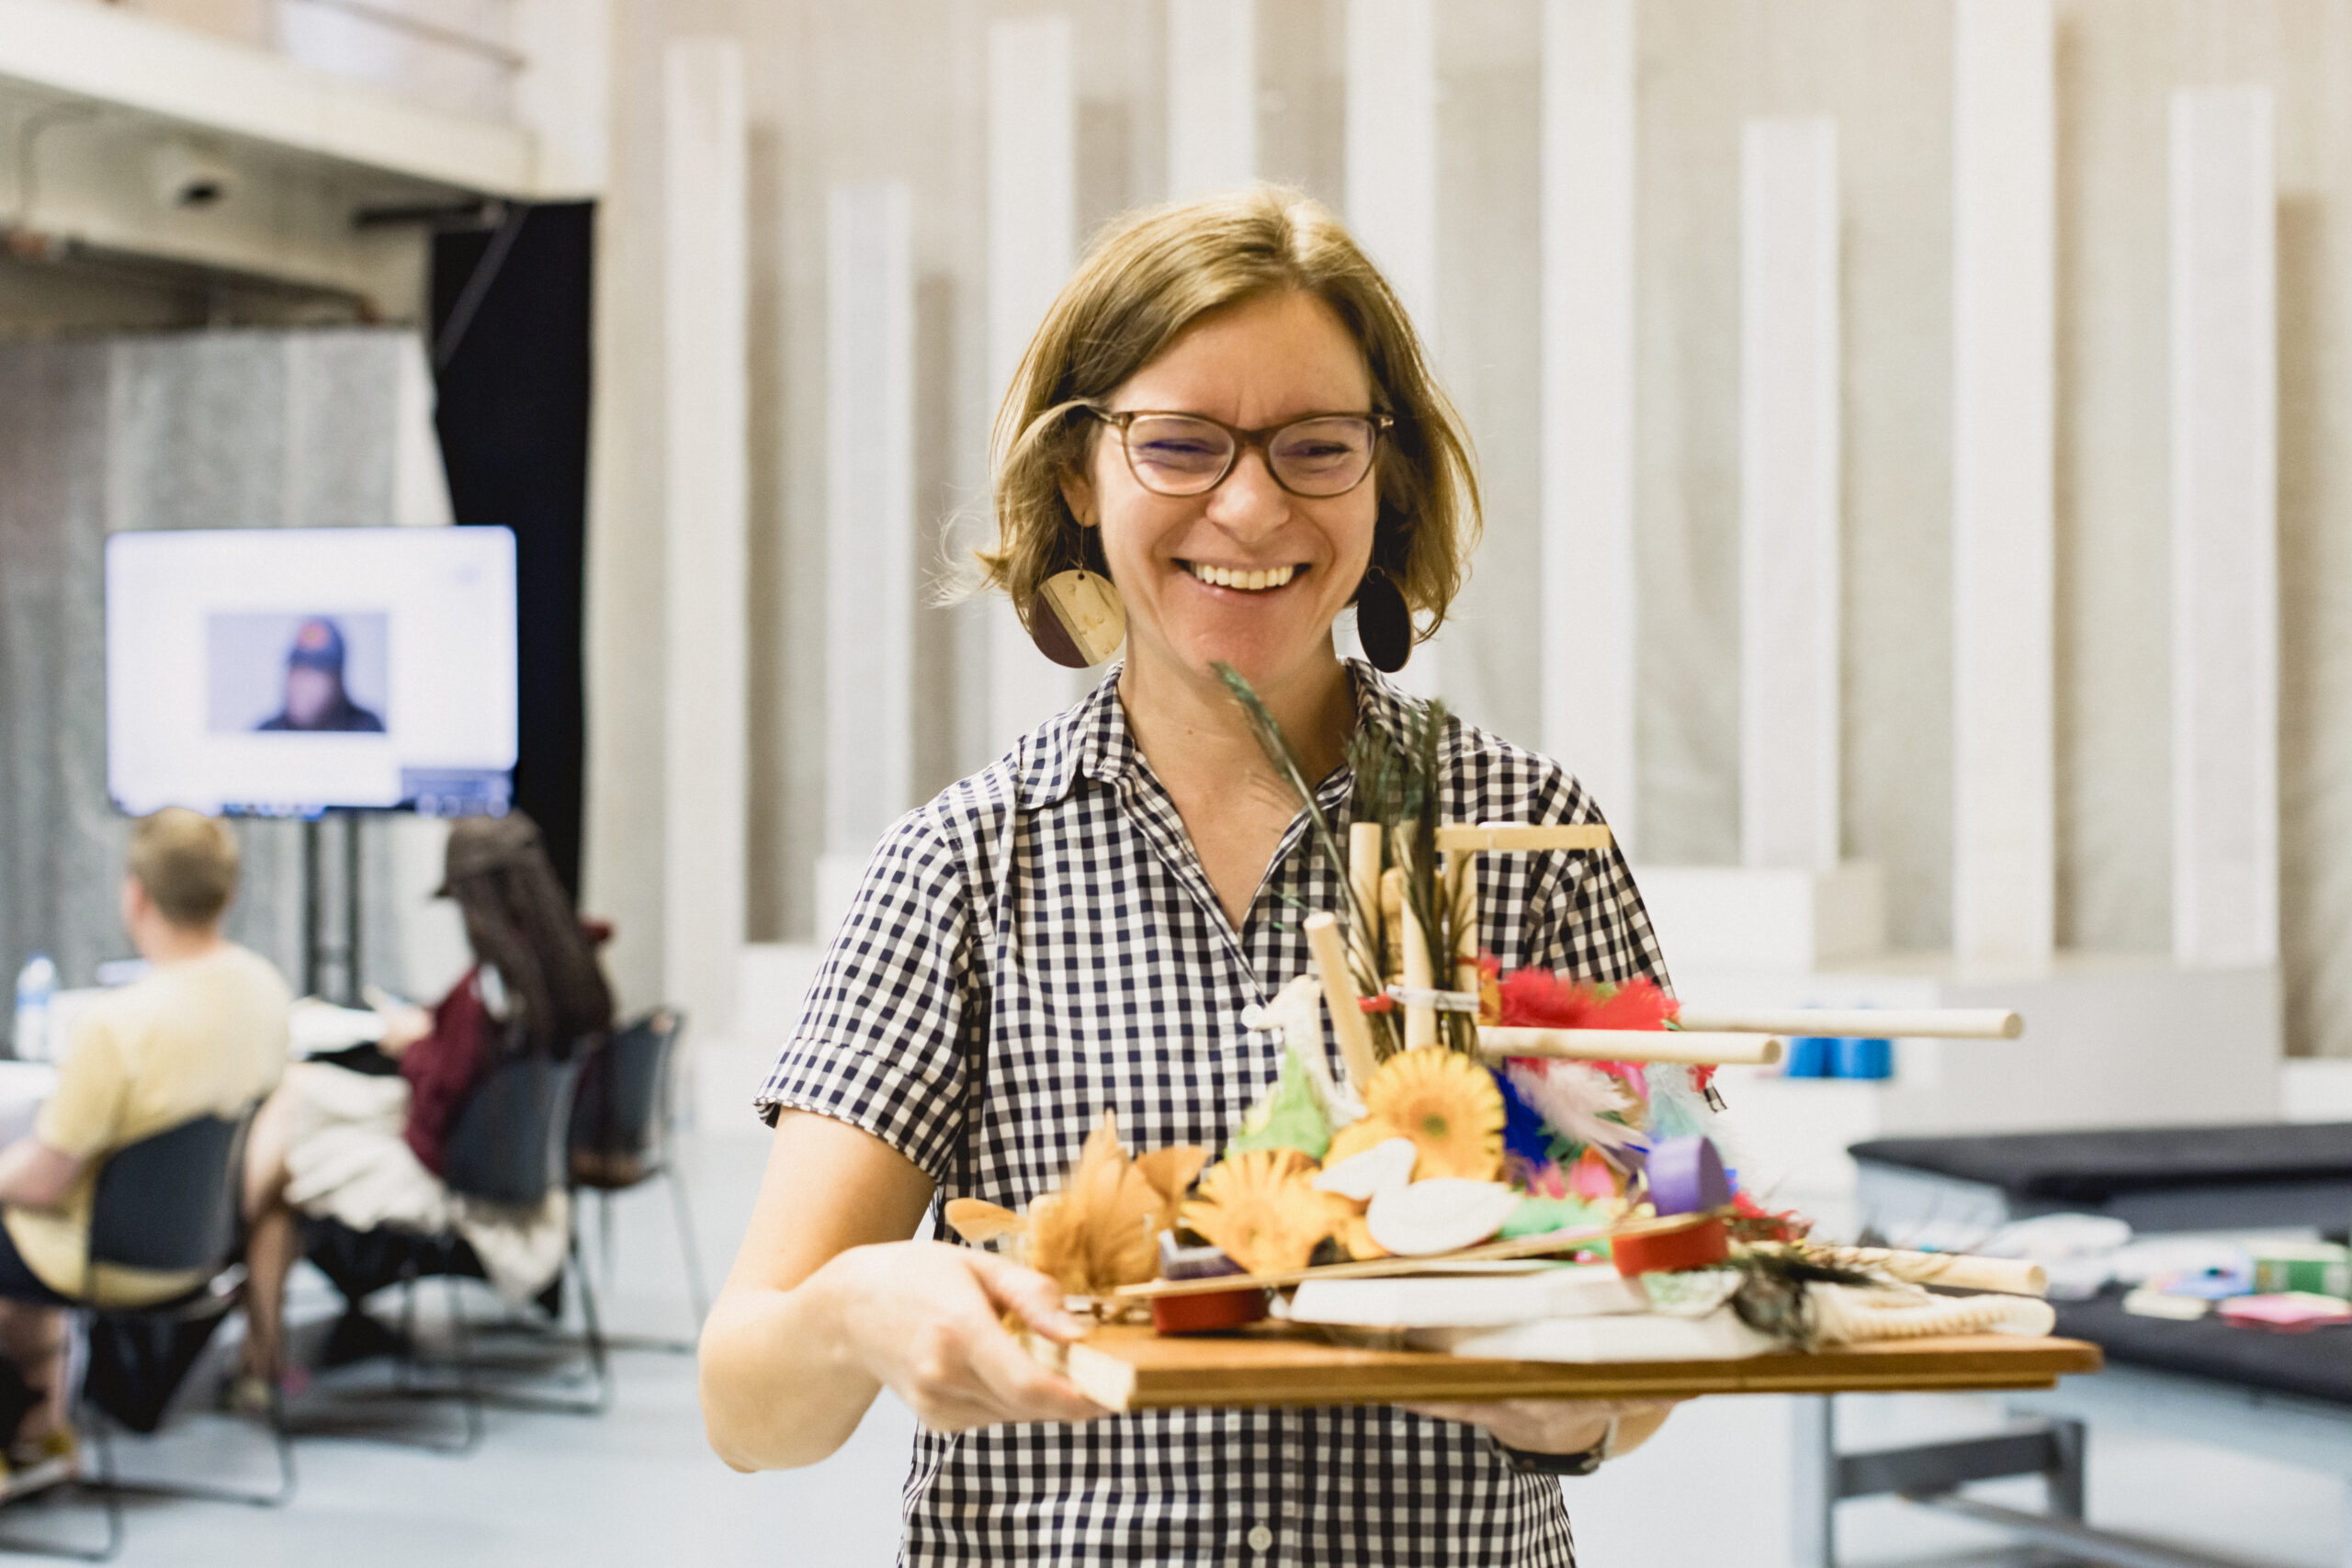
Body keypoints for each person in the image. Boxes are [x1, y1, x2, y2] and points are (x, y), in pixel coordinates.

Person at [700, 186, 1679, 1564]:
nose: (1250, 501)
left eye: (1315, 446)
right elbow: (748, 1405)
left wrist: (1572, 1394)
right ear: (1075, 478)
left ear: (1383, 475)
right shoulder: (966, 867)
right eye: (1180, 443)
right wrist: (859, 1305)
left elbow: (1671, 1301)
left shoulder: (1525, 837)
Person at [235, 810, 612, 1401]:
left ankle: (251, 1353)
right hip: (509, 1162)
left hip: (454, 1171)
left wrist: (415, 1050)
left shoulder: (486, 993)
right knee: (299, 1099)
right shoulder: (569, 969)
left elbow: (431, 1122)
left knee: (282, 1157)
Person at [0, 810, 290, 1490]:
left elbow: (44, 1180)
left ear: (136, 893)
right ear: (229, 890)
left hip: (104, 1260)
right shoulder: (263, 991)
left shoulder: (118, 1026)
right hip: (208, 1253)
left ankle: (31, 1431)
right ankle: (38, 1433)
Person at [255, 617, 385, 733]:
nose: (299, 684)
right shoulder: (267, 733)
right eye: (295, 669)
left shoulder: (366, 730)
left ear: (336, 681)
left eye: (312, 673)